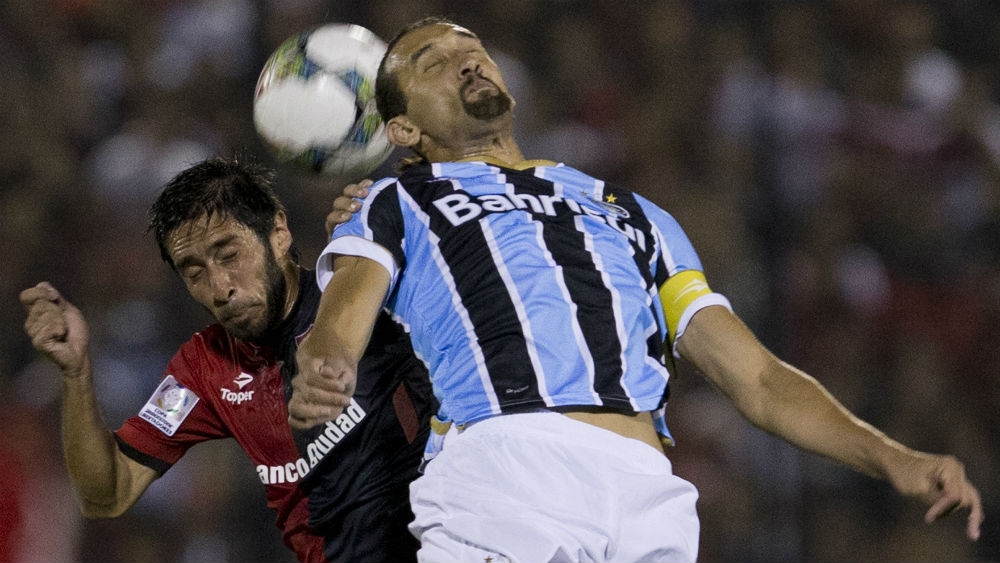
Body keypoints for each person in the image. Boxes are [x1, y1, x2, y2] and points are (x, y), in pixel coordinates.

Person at [287, 17, 984, 563]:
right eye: (434, 63)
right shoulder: (396, 198)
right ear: (404, 127)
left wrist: (893, 455)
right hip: (506, 467)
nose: (466, 60)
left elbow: (761, 380)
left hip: (647, 487)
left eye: (472, 49)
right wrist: (329, 365)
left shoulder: (634, 212)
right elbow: (347, 305)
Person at [20, 156, 437, 563]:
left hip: (451, 538)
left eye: (228, 254)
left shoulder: (360, 292)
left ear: (278, 232)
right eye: (194, 271)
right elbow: (106, 493)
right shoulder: (203, 369)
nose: (220, 288)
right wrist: (75, 372)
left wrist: (391, 213)